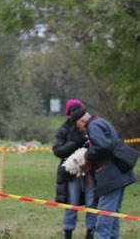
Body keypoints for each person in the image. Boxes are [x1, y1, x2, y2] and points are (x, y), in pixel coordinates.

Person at [71, 108, 136, 239]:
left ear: (82, 120)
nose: (80, 130)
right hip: (118, 174)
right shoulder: (101, 121)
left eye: (79, 126)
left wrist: (86, 156)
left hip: (110, 176)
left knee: (104, 214)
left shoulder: (93, 126)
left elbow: (103, 146)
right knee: (113, 214)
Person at [53, 99, 96, 239]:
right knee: (71, 203)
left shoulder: (91, 127)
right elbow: (58, 150)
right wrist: (75, 143)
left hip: (90, 172)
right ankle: (68, 232)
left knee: (91, 203)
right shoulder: (64, 130)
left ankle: (90, 232)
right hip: (72, 173)